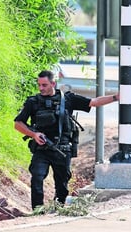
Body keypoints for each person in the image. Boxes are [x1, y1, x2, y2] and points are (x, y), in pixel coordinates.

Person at [14, 70, 119, 210]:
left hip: (62, 150)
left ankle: (58, 209)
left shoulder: (68, 99)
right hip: (41, 149)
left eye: (44, 85)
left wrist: (115, 97)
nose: (41, 88)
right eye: (39, 85)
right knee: (37, 178)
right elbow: (18, 124)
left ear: (53, 83)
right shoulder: (33, 102)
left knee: (62, 185)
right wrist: (34, 135)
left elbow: (94, 102)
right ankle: (37, 211)